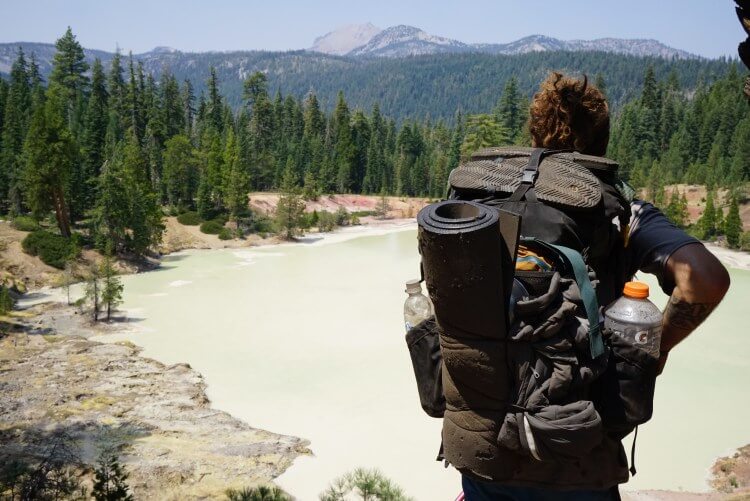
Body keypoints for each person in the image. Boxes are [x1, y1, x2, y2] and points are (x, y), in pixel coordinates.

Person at [459, 73, 731, 500]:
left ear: (533, 136)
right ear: (603, 143)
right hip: (581, 454)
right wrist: (657, 347)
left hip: (485, 445)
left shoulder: (482, 200)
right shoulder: (620, 212)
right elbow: (706, 278)